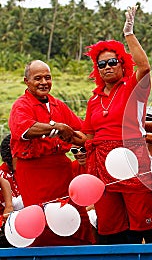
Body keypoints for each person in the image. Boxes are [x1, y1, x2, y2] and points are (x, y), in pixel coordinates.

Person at [82, 6, 152, 245]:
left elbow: (145, 68)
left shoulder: (132, 87)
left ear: (122, 63)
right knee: (110, 227)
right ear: (96, 70)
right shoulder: (94, 99)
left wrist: (129, 34)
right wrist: (60, 131)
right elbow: (86, 133)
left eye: (112, 62)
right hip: (101, 164)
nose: (107, 67)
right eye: (102, 64)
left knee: (144, 223)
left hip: (132, 159)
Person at [8, 60, 94, 246]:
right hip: (33, 171)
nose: (43, 82)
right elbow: (24, 130)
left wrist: (79, 141)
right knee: (41, 216)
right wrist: (57, 127)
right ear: (26, 81)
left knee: (72, 214)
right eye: (37, 78)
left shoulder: (58, 105)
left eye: (47, 77)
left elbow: (81, 131)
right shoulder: (21, 105)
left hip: (60, 170)